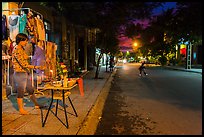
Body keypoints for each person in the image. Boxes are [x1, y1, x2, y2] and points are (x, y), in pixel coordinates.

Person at [12, 33, 45, 115]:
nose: (26, 42)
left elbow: (24, 58)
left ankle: (36, 104)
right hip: (19, 73)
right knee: (21, 91)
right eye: (25, 41)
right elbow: (23, 64)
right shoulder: (16, 49)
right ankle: (21, 109)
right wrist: (36, 67)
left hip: (25, 72)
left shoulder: (21, 48)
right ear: (20, 41)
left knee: (30, 89)